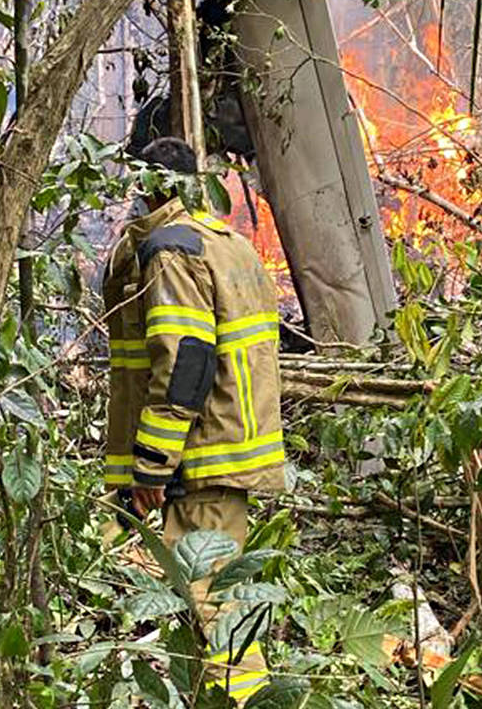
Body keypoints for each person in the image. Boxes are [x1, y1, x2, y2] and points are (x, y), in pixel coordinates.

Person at [101, 137, 285, 704]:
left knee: (216, 608)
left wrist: (152, 464)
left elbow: (185, 360)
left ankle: (245, 701)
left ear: (151, 184)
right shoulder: (227, 244)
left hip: (199, 461)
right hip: (232, 452)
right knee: (209, 603)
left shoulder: (173, 249)